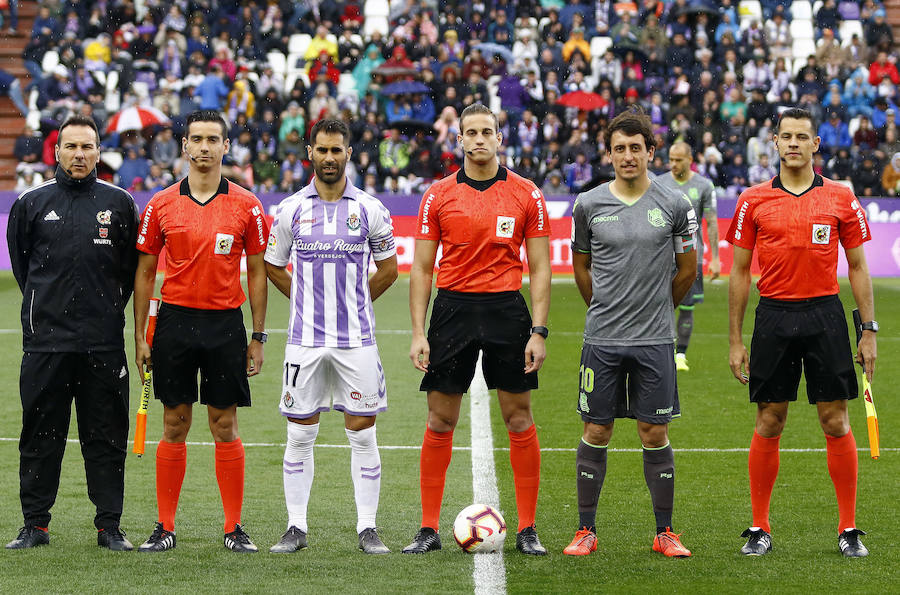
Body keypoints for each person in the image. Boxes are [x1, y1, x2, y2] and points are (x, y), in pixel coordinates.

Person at [403, 103, 551, 555]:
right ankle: (428, 528)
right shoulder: (438, 194)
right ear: (460, 139)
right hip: (453, 311)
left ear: (499, 138)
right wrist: (417, 331)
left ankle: (527, 528)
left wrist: (539, 330)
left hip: (507, 311)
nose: (480, 139)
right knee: (440, 419)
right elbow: (422, 268)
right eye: (472, 132)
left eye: (488, 131)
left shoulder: (527, 194)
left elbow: (541, 267)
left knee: (518, 418)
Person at [727, 107, 876, 558]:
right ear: (774, 142)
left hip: (825, 317)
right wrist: (735, 339)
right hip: (772, 317)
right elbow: (738, 273)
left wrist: (868, 331)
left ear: (816, 144)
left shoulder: (840, 198)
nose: (793, 143)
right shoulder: (753, 199)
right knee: (770, 420)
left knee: (835, 420)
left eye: (802, 136)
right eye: (785, 136)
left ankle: (848, 528)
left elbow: (858, 265)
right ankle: (759, 527)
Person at [132, 110, 269, 553]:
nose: (205, 147)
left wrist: (258, 335)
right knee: (175, 423)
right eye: (197, 139)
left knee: (223, 423)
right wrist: (140, 336)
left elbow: (258, 274)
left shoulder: (247, 205)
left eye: (214, 139)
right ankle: (164, 527)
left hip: (225, 324)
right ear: (185, 146)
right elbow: (146, 272)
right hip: (174, 323)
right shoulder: (161, 204)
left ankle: (233, 528)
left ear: (226, 146)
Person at [564, 108, 698, 558]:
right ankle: (586, 530)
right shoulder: (588, 204)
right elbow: (580, 267)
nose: (627, 156)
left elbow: (687, 269)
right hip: (601, 339)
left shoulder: (675, 204)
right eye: (619, 148)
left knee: (653, 432)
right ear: (609, 153)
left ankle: (666, 533)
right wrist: (601, 305)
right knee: (596, 430)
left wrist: (660, 307)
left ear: (650, 152)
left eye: (635, 148)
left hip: (655, 339)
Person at [264, 119, 399, 554]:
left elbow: (390, 270)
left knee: (362, 433)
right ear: (310, 152)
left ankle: (368, 528)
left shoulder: (371, 209)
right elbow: (272, 265)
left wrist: (354, 304)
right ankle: (296, 527)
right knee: (300, 434)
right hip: (304, 341)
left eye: (336, 150)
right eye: (321, 150)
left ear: (348, 153)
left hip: (355, 342)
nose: (328, 157)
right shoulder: (289, 211)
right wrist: (303, 299)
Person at [6, 114, 139, 551]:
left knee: (105, 438)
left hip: (103, 344)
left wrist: (102, 313)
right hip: (46, 342)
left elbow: (128, 272)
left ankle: (109, 526)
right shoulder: (32, 202)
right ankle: (35, 525)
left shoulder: (119, 203)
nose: (79, 155)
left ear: (99, 152)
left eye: (88, 147)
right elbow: (24, 269)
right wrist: (46, 310)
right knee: (40, 438)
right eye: (71, 147)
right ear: (57, 151)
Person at [656, 141, 720, 371]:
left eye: (678, 160)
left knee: (687, 306)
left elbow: (711, 222)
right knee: (658, 306)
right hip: (662, 256)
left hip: (692, 256)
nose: (673, 164)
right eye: (671, 159)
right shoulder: (658, 182)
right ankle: (660, 350)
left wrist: (715, 257)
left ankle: (680, 354)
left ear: (690, 160)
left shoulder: (704, 186)